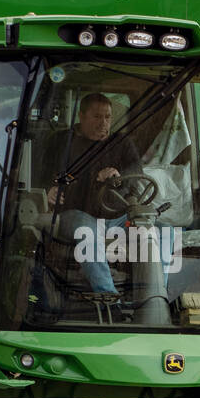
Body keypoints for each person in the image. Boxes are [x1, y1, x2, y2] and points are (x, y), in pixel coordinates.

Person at [40, 93, 143, 295]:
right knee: (87, 230)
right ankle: (108, 297)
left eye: (107, 117)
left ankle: (156, 297)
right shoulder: (62, 141)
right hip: (75, 214)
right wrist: (47, 189)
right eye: (97, 116)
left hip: (116, 218)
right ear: (81, 116)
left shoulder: (121, 142)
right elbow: (40, 174)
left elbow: (137, 171)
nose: (103, 123)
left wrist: (119, 175)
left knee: (160, 230)